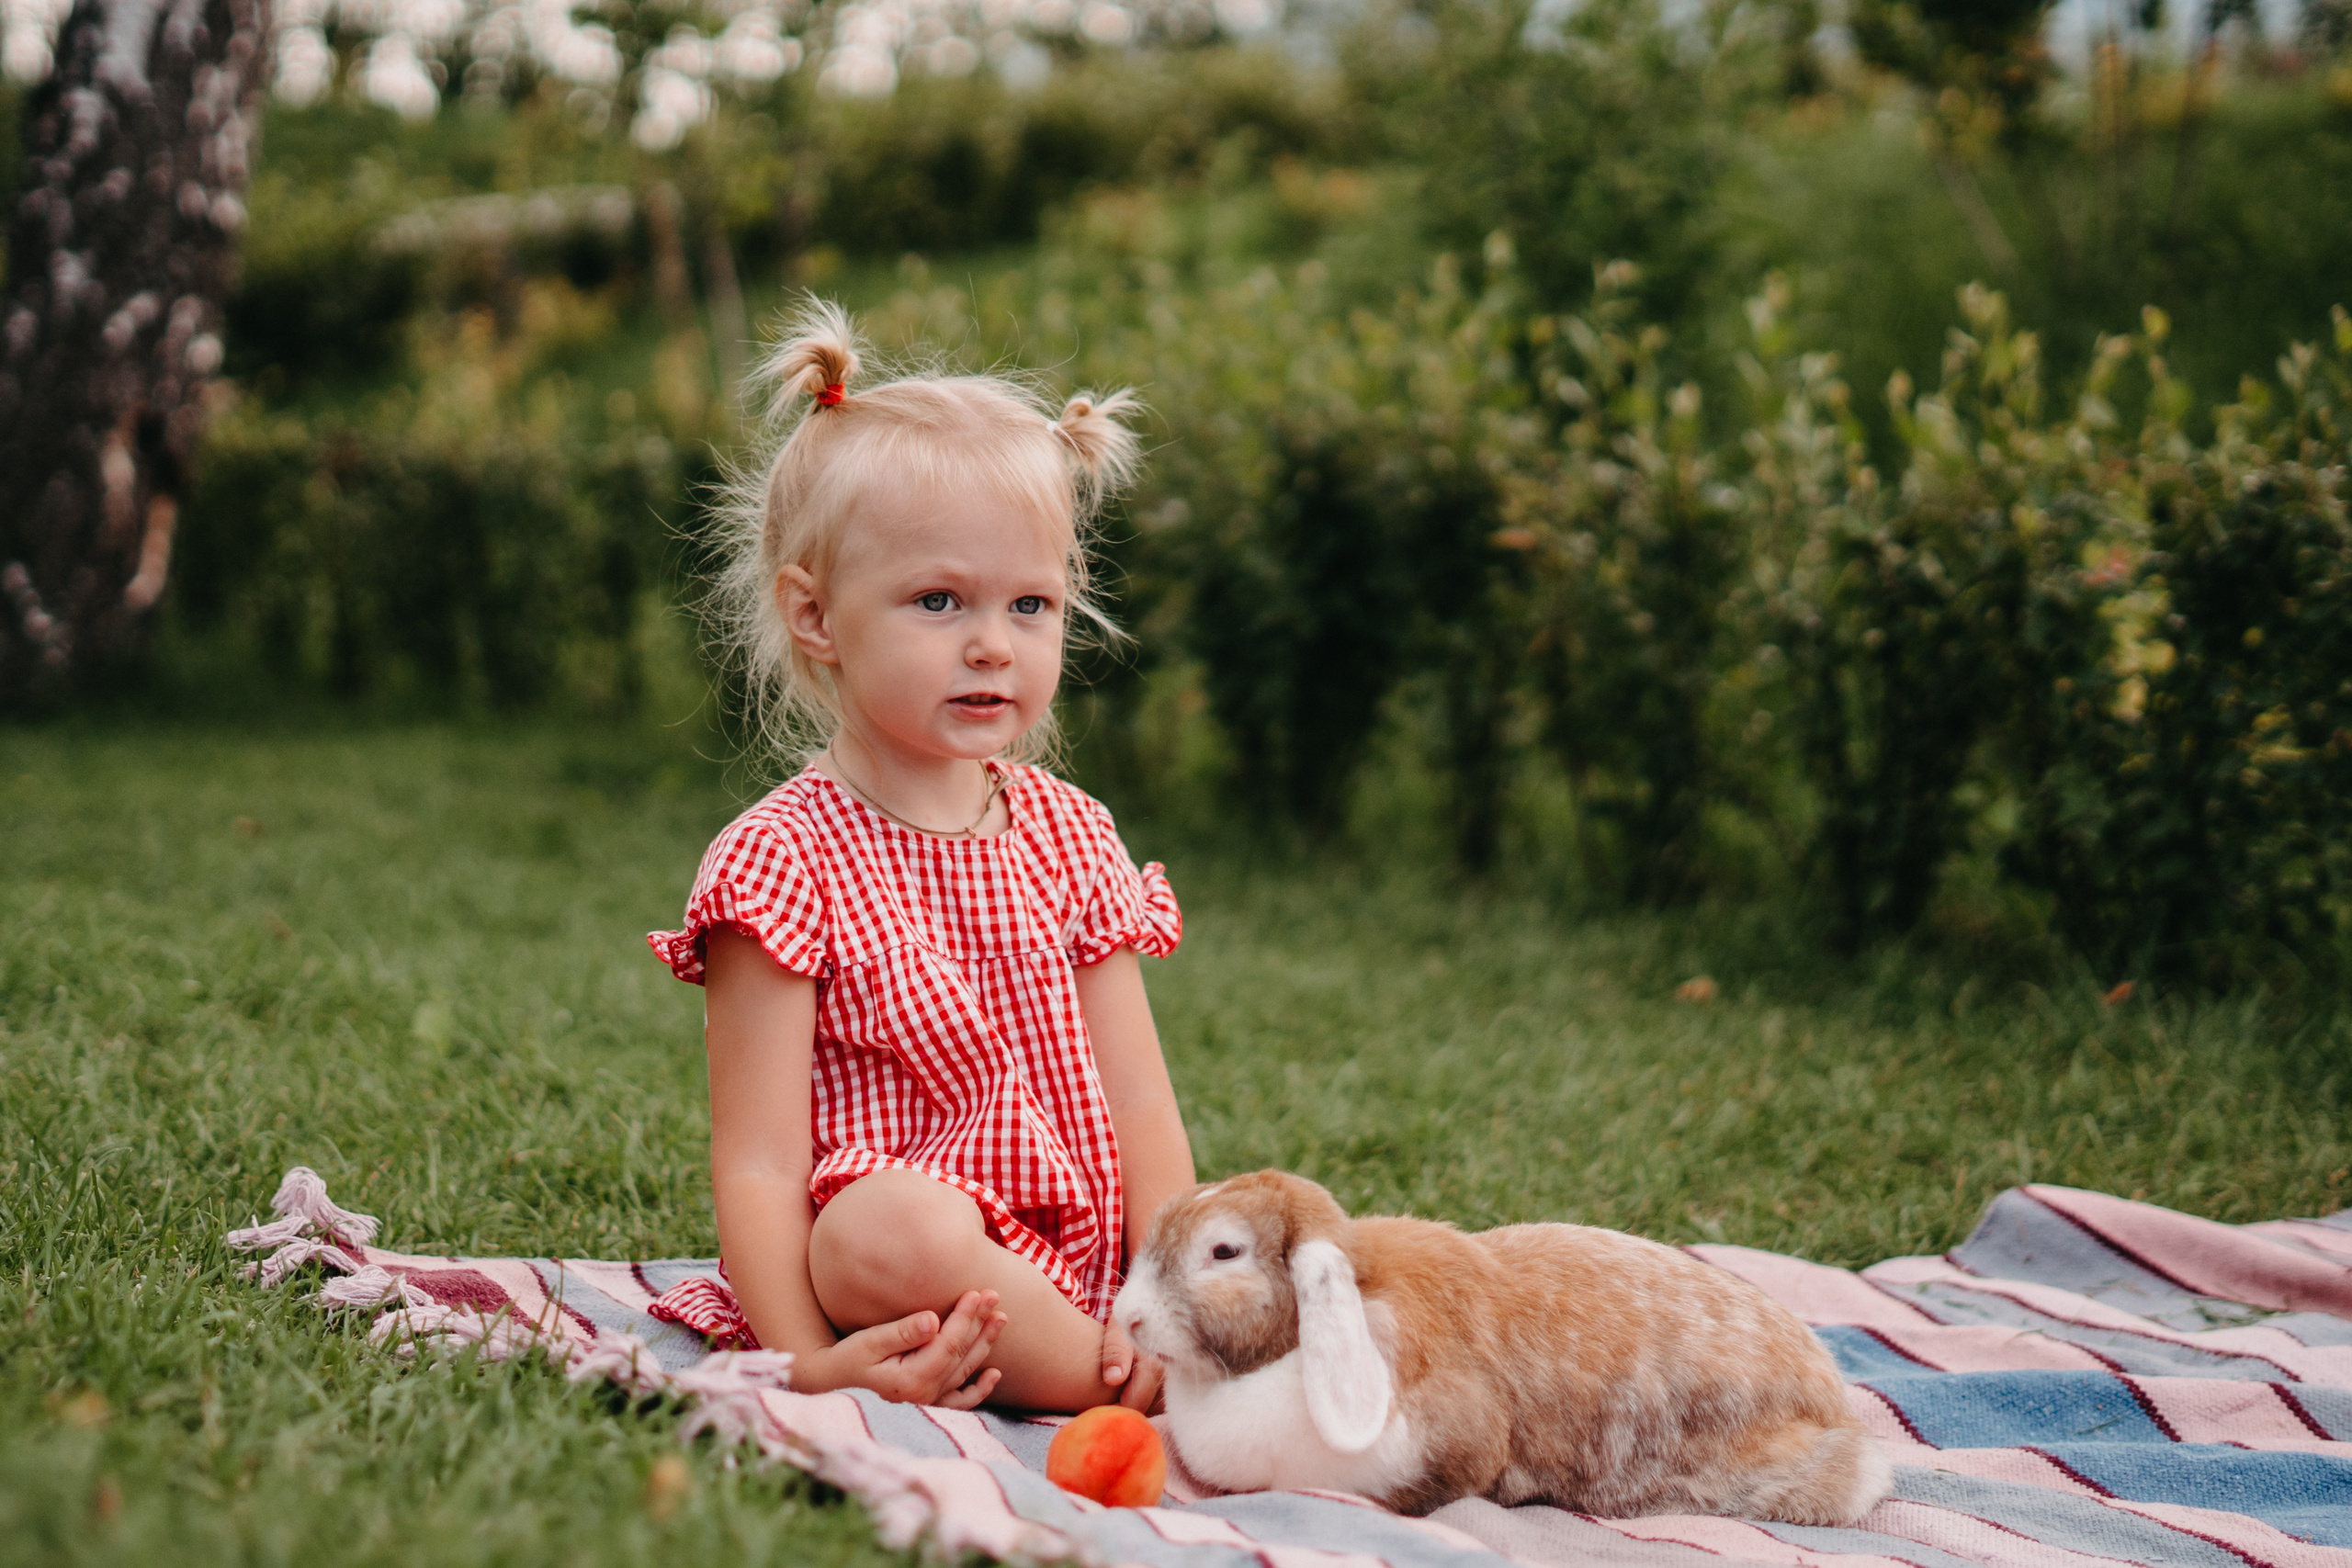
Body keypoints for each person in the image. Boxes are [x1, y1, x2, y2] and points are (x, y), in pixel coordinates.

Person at [646, 300, 1192, 1415]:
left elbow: (1140, 1102)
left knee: (1273, 1231)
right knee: (889, 1227)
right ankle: (1121, 1391)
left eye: (1029, 604)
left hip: (1082, 1265)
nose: (992, 642)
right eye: (938, 601)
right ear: (816, 616)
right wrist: (802, 1362)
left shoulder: (1070, 834)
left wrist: (1165, 1295)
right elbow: (757, 1163)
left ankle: (1140, 1357)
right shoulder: (779, 862)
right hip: (893, 1275)